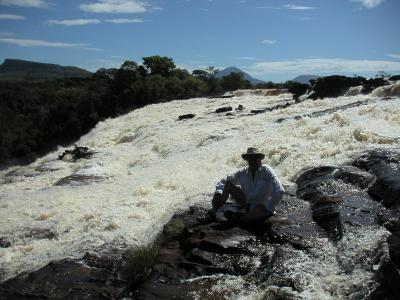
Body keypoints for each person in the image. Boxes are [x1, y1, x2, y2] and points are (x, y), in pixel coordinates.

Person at [212, 147, 284, 222]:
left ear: (260, 159)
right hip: (246, 204)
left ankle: (240, 218)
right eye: (250, 158)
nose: (252, 161)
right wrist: (219, 191)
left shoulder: (267, 171)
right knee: (228, 186)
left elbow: (280, 190)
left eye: (255, 158)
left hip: (261, 208)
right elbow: (226, 179)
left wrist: (267, 207)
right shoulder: (243, 172)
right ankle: (214, 211)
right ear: (247, 160)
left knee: (246, 220)